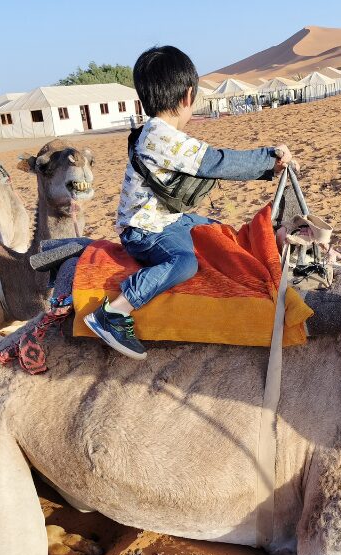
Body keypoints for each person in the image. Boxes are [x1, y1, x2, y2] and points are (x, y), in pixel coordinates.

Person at [85, 46, 299, 360]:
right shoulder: (161, 137)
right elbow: (216, 163)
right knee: (185, 263)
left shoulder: (155, 132)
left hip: (167, 219)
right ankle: (115, 312)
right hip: (145, 231)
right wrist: (270, 159)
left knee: (216, 232)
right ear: (188, 96)